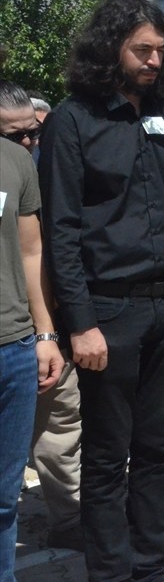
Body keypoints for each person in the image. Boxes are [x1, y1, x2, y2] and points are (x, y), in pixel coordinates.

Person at [38, 0, 164, 582]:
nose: (155, 60)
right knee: (108, 457)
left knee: (161, 452)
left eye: (161, 50)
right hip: (108, 312)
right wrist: (79, 322)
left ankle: (150, 569)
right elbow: (61, 230)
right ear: (110, 47)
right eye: (143, 49)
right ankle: (111, 579)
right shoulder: (72, 119)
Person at [0, 81, 83, 552]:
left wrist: (47, 330)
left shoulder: (53, 164)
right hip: (19, 328)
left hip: (51, 323)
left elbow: (39, 253)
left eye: (33, 133)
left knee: (62, 425)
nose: (28, 144)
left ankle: (70, 518)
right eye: (14, 137)